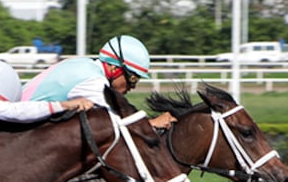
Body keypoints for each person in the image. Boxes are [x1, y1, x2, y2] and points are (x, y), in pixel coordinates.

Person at [22, 34, 176, 129]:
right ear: (115, 69)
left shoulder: (84, 63)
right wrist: (152, 124)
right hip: (21, 130)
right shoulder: (94, 82)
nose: (132, 87)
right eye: (132, 79)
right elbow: (116, 125)